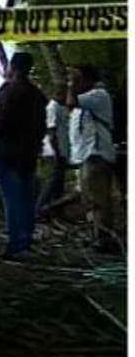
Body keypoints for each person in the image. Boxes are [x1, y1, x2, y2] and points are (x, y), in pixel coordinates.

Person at [0, 52, 48, 260]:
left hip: (8, 153)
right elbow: (41, 127)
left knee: (12, 199)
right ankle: (25, 239)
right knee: (25, 197)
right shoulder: (37, 94)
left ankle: (15, 244)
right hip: (28, 154)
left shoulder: (7, 91)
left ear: (12, 68)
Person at [67, 64, 118, 252]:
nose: (75, 83)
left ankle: (105, 239)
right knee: (89, 200)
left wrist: (71, 86)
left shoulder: (98, 95)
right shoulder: (87, 99)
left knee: (98, 200)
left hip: (96, 154)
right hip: (86, 155)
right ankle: (97, 235)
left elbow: (71, 102)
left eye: (78, 79)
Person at [36, 81, 71, 215]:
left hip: (62, 149)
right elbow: (51, 131)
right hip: (54, 150)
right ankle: (39, 209)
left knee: (59, 182)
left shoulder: (63, 108)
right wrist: (56, 151)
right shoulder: (52, 107)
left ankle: (57, 210)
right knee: (53, 180)